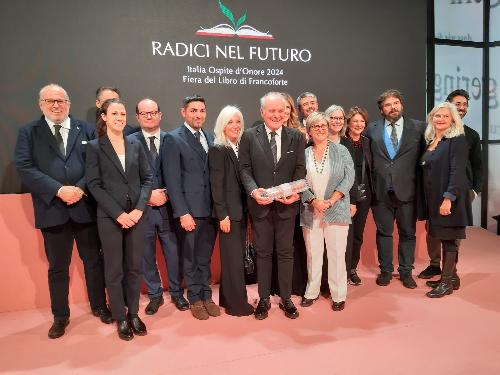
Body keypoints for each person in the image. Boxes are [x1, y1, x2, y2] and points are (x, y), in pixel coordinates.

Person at [14, 83, 111, 339]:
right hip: (52, 209)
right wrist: (58, 190)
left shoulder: (87, 129)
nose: (56, 105)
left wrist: (78, 189)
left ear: (68, 103)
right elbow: (25, 166)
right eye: (50, 101)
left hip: (85, 207)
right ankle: (61, 316)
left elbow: (96, 163)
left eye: (60, 100)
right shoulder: (29, 132)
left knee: (94, 262)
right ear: (41, 105)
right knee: (58, 267)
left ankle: (100, 306)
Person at [85, 98, 153, 340]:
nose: (120, 118)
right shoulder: (94, 147)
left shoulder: (136, 144)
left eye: (123, 114)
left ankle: (134, 313)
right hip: (110, 217)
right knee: (114, 270)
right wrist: (118, 214)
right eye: (114, 113)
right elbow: (93, 184)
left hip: (136, 216)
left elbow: (148, 179)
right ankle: (120, 317)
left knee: (134, 268)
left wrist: (138, 210)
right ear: (104, 116)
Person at [239, 92, 306, 320]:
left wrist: (296, 193)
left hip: (287, 207)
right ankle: (264, 298)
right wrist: (253, 190)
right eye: (272, 111)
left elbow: (299, 169)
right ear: (262, 112)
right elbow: (245, 169)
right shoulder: (249, 136)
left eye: (281, 110)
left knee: (286, 253)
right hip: (261, 206)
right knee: (264, 253)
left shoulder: (296, 137)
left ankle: (286, 298)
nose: (277, 115)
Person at [128, 98, 188, 315]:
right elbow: (126, 178)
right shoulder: (129, 141)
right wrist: (147, 197)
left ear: (160, 114)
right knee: (145, 255)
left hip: (169, 208)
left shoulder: (173, 139)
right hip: (141, 210)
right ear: (137, 117)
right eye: (144, 114)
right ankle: (154, 295)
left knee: (174, 253)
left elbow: (182, 174)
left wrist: (168, 195)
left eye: (153, 112)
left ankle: (177, 293)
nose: (149, 116)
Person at [162, 95, 219, 320]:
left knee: (204, 257)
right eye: (193, 110)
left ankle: (206, 294)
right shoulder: (173, 139)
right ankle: (194, 297)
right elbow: (172, 181)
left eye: (202, 110)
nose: (198, 115)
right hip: (189, 212)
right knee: (190, 258)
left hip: (210, 209)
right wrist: (183, 212)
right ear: (183, 112)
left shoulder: (211, 136)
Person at [418, 89, 483, 282]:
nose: (440, 118)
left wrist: (473, 190)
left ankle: (448, 278)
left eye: (445, 116)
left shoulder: (462, 137)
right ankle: (446, 274)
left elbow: (467, 168)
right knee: (437, 232)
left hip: (452, 193)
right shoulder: (432, 139)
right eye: (437, 115)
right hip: (435, 194)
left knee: (450, 237)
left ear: (452, 118)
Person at [364, 89, 424, 288]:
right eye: (388, 105)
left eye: (396, 103)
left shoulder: (419, 128)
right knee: (384, 233)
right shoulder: (371, 129)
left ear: (401, 105)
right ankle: (386, 271)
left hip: (408, 191)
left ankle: (406, 272)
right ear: (382, 109)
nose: (393, 107)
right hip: (381, 191)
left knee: (408, 233)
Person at [300, 112, 354, 311]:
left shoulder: (341, 151)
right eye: (316, 126)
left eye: (323, 125)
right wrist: (314, 201)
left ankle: (338, 295)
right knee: (313, 254)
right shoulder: (303, 154)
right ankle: (311, 292)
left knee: (337, 255)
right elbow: (299, 181)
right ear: (309, 131)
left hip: (336, 208)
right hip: (311, 210)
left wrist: (331, 200)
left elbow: (349, 178)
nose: (321, 129)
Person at [208, 105, 254, 316]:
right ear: (222, 125)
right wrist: (222, 215)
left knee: (232, 259)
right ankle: (237, 305)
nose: (235, 126)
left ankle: (227, 299)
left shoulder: (239, 148)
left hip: (241, 213)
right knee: (233, 261)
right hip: (229, 215)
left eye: (238, 122)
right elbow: (216, 185)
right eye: (230, 122)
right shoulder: (219, 149)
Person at [340, 106, 374, 285]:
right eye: (355, 121)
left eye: (362, 121)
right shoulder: (341, 142)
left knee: (358, 234)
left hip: (364, 194)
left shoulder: (368, 142)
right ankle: (342, 270)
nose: (359, 124)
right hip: (345, 194)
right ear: (348, 123)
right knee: (345, 234)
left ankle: (352, 268)